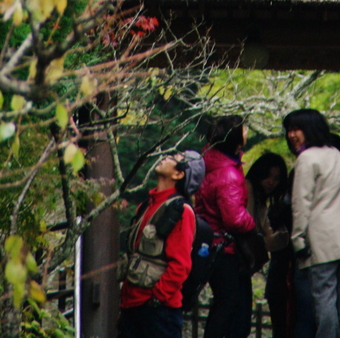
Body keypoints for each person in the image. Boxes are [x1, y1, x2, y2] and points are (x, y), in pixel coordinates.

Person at [284, 109, 340, 338]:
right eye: (289, 130)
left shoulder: (306, 158)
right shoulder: (335, 154)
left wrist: (297, 238)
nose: (292, 135)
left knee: (324, 300)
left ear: (310, 129)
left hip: (321, 241)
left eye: (296, 129)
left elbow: (301, 203)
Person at [118, 150, 205, 338]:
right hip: (132, 306)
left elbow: (180, 266)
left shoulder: (180, 211)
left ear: (179, 174)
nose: (165, 157)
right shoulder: (147, 204)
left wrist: (156, 298)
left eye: (173, 158)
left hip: (158, 313)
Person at [196, 115, 256, 338]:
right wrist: (254, 224)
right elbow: (234, 219)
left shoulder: (211, 163)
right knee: (229, 303)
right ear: (237, 141)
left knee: (224, 301)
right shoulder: (228, 173)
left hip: (211, 243)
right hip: (225, 247)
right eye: (244, 130)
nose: (247, 132)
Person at [245, 154, 291, 338]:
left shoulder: (261, 200)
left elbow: (267, 238)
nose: (271, 182)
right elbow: (251, 231)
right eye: (268, 176)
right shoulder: (247, 189)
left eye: (277, 178)